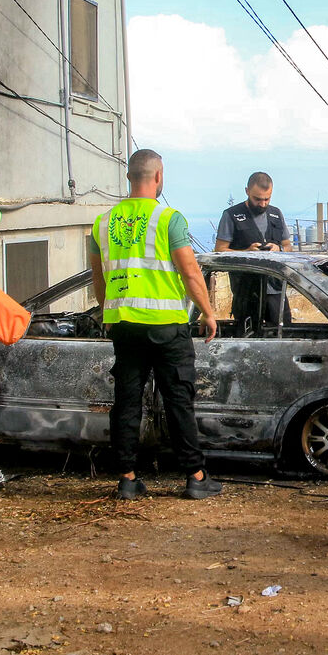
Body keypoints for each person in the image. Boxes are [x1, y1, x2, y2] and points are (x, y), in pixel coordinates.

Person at [90, 149, 222, 501]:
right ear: (158, 176)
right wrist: (208, 313)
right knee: (178, 400)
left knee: (127, 401)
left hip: (123, 325)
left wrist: (108, 313)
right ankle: (195, 476)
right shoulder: (168, 219)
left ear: (130, 177)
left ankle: (128, 478)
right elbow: (190, 272)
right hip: (167, 326)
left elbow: (99, 279)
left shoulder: (104, 222)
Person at [215, 173, 293, 331]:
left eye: (267, 199)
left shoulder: (276, 214)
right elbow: (220, 250)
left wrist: (279, 249)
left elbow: (288, 246)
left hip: (275, 289)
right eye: (258, 199)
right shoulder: (231, 215)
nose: (263, 204)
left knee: (283, 334)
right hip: (246, 292)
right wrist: (246, 252)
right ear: (247, 191)